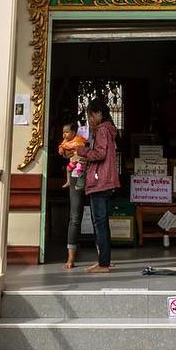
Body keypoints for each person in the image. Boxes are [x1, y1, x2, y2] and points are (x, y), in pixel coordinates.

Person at [81, 96, 119, 274]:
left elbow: (99, 154)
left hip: (99, 181)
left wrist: (83, 151)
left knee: (99, 223)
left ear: (99, 113)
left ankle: (103, 263)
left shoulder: (102, 130)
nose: (89, 120)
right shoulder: (109, 130)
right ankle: (105, 260)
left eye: (91, 115)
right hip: (107, 181)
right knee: (103, 223)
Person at [59, 120, 88, 270]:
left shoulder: (92, 134)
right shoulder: (70, 140)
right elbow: (65, 153)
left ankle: (104, 258)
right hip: (76, 176)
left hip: (92, 175)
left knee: (99, 217)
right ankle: (71, 257)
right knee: (75, 217)